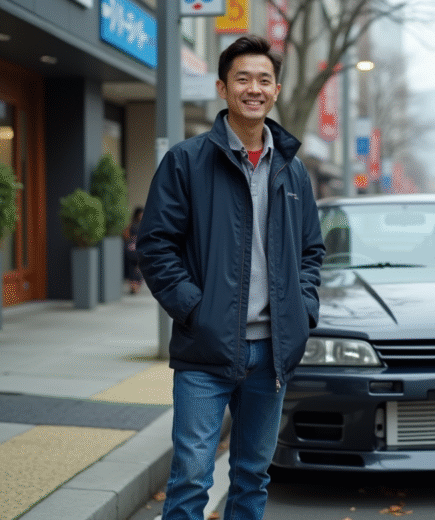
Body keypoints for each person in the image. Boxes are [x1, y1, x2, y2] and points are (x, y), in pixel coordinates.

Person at [136, 35, 325, 520]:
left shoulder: (293, 171)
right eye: (243, 79)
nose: (254, 88)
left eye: (264, 79)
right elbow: (156, 245)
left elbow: (311, 251)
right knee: (191, 477)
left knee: (252, 477)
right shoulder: (186, 161)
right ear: (223, 87)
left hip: (272, 352)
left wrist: (302, 309)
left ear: (277, 90)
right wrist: (196, 309)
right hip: (205, 350)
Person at [123, 206, 144, 294]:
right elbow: (126, 236)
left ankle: (135, 285)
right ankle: (134, 286)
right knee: (133, 268)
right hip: (133, 250)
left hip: (137, 249)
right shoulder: (132, 225)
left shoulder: (142, 224)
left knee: (137, 268)